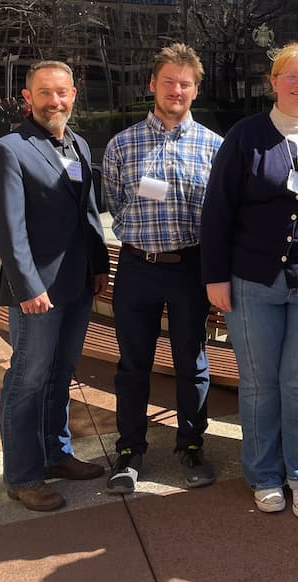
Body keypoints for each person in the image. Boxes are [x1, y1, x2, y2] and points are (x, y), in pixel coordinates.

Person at [201, 42, 298, 518]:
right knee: (261, 383)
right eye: (291, 76)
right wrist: (215, 278)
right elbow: (217, 210)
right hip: (252, 282)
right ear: (273, 83)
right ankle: (264, 474)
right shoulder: (246, 136)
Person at [0, 60, 110, 511]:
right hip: (37, 292)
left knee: (60, 374)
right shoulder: (9, 149)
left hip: (76, 285)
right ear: (28, 97)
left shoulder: (77, 145)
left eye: (62, 93)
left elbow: (88, 214)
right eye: (44, 93)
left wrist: (98, 265)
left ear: (73, 95)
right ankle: (22, 474)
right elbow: (8, 230)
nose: (54, 101)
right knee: (27, 379)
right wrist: (27, 288)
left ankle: (57, 455)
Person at [102, 43, 223, 494]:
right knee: (133, 366)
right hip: (137, 268)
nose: (176, 90)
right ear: (152, 85)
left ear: (196, 90)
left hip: (191, 268)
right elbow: (115, 205)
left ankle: (191, 446)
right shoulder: (121, 145)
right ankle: (130, 451)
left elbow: (221, 215)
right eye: (168, 81)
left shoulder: (215, 147)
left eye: (185, 83)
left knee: (192, 363)